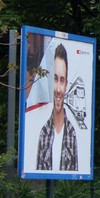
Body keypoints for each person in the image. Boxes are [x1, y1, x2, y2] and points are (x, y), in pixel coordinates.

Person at [36, 42, 79, 171]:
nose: (58, 89)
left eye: (62, 80)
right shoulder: (43, 133)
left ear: (66, 84)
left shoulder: (72, 133)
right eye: (55, 79)